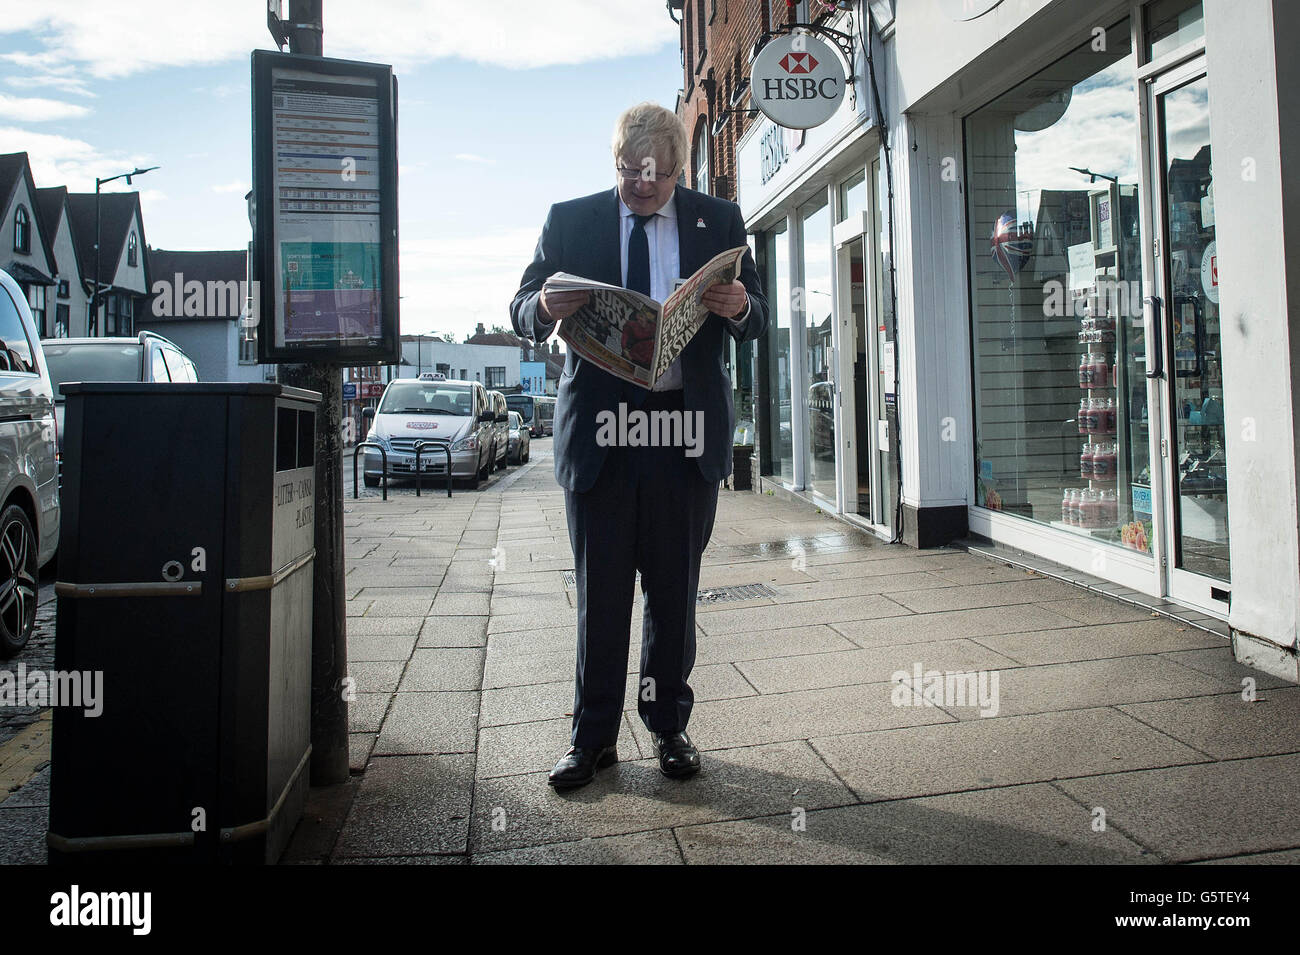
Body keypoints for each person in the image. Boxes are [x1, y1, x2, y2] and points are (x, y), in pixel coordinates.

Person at [510, 102, 768, 789]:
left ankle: (668, 727)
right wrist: (542, 308)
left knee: (674, 593)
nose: (642, 186)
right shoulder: (572, 219)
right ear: (616, 163)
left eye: (656, 176)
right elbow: (521, 305)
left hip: (683, 437)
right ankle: (591, 738)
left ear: (680, 170)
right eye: (631, 173)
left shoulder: (720, 220)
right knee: (601, 595)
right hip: (602, 439)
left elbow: (759, 316)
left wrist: (738, 303)